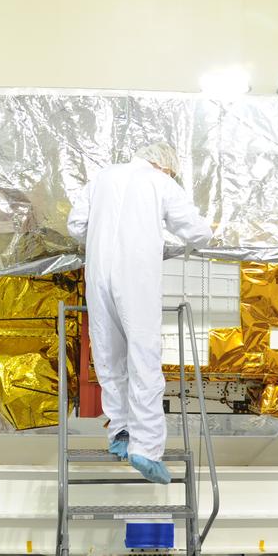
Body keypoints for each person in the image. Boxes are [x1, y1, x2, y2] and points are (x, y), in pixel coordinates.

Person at [67, 143, 212, 484]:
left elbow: (76, 225)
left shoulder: (103, 177)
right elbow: (198, 232)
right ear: (166, 166)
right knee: (143, 358)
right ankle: (145, 448)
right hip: (136, 276)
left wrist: (103, 236)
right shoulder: (160, 182)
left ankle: (121, 431)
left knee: (108, 356)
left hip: (98, 275)